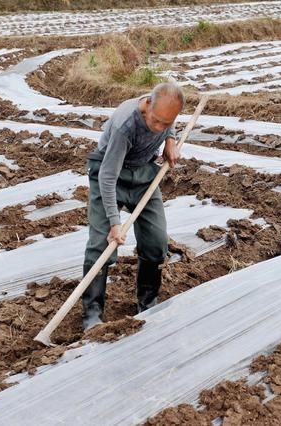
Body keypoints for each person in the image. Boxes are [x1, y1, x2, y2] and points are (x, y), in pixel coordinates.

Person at [82, 82, 184, 330]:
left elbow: (168, 122)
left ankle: (147, 302)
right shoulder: (124, 125)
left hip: (143, 175)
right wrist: (115, 223)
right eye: (157, 121)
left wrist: (170, 138)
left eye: (166, 123)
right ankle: (92, 313)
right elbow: (107, 176)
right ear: (147, 104)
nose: (159, 127)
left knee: (157, 241)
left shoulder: (164, 113)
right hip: (109, 177)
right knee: (101, 243)